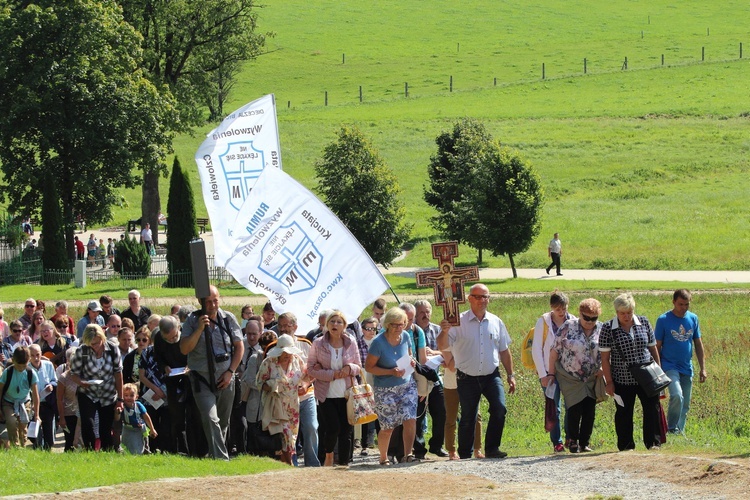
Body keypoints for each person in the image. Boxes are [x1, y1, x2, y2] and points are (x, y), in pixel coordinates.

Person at [437, 283, 516, 460]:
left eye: (485, 296)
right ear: (469, 299)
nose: (482, 300)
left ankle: (492, 448)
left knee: (500, 408)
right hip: (467, 376)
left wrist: (511, 375)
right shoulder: (458, 321)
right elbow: (442, 345)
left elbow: (504, 350)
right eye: (478, 297)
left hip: (491, 375)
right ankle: (465, 455)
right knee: (468, 416)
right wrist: (444, 331)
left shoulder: (496, 321)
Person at [180, 285, 244, 460]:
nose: (213, 305)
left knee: (223, 422)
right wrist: (199, 329)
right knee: (210, 418)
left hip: (226, 377)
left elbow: (239, 347)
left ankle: (214, 455)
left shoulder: (228, 319)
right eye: (208, 301)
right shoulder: (192, 321)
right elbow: (184, 349)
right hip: (202, 379)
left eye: (215, 300)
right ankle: (222, 460)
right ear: (200, 302)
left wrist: (231, 371)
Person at [600, 293, 662, 450]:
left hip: (647, 376)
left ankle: (653, 443)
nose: (626, 316)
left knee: (652, 409)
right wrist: (609, 382)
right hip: (622, 378)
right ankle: (626, 446)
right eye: (622, 313)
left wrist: (659, 374)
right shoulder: (608, 328)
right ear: (616, 312)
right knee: (623, 413)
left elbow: (653, 348)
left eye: (629, 312)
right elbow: (605, 359)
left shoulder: (644, 322)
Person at [545, 299, 603, 453]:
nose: (590, 321)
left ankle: (584, 443)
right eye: (586, 317)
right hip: (569, 377)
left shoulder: (602, 329)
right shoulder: (568, 326)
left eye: (594, 318)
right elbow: (554, 351)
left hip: (591, 377)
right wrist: (551, 373)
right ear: (580, 313)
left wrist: (603, 369)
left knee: (589, 410)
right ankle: (572, 441)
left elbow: (606, 353)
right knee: (574, 408)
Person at [308, 310, 362, 467]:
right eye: (332, 321)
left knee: (346, 430)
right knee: (333, 428)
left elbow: (358, 366)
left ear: (344, 326)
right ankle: (329, 454)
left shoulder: (351, 341)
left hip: (347, 393)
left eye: (339, 322)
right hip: (326, 394)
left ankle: (344, 462)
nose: (335, 325)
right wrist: (332, 374)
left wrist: (349, 368)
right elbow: (311, 369)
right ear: (326, 325)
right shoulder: (318, 343)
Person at [365, 307, 418, 465]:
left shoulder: (406, 336)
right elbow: (369, 367)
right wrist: (390, 371)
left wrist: (412, 361)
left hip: (407, 384)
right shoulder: (378, 342)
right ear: (387, 324)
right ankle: (383, 457)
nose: (398, 328)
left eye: (401, 324)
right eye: (394, 325)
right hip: (385, 389)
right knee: (388, 426)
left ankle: (408, 454)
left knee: (410, 419)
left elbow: (409, 355)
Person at [655, 289, 708, 435]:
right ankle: (672, 429)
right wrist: (657, 370)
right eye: (680, 304)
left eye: (687, 304)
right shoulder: (664, 320)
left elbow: (698, 343)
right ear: (673, 302)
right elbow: (657, 346)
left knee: (685, 403)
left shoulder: (693, 318)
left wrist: (703, 368)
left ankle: (680, 431)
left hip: (686, 366)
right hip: (669, 365)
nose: (684, 308)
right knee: (677, 395)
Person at [68, 324, 124, 451]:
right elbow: (73, 374)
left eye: (98, 343)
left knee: (105, 428)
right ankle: (89, 451)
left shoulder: (113, 349)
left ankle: (107, 452)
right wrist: (82, 382)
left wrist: (120, 400)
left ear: (103, 338)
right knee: (88, 424)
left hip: (108, 394)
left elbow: (118, 374)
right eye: (92, 344)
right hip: (88, 392)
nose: (95, 346)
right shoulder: (82, 351)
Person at [531, 291, 575, 452]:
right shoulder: (543, 322)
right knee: (554, 406)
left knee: (572, 404)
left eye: (564, 308)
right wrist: (543, 374)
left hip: (569, 371)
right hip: (549, 371)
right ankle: (557, 441)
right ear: (552, 308)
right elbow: (536, 349)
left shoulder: (573, 321)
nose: (562, 312)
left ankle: (571, 437)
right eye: (558, 309)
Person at [274, 312, 320, 467]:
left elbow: (314, 369)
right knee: (288, 433)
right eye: (281, 326)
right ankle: (290, 463)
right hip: (284, 399)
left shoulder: (306, 344)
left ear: (295, 327)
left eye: (287, 325)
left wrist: (306, 384)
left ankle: (312, 463)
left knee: (311, 427)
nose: (284, 329)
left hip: (306, 395)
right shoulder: (273, 348)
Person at [256, 334, 306, 465]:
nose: (287, 355)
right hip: (276, 404)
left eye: (289, 352)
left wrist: (304, 385)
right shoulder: (268, 362)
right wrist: (273, 385)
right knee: (284, 434)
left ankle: (285, 465)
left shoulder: (297, 360)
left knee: (292, 437)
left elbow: (306, 376)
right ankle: (289, 464)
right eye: (285, 353)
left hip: (293, 405)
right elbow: (259, 383)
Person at [413, 300, 448, 458]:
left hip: (435, 378)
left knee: (441, 412)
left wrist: (433, 352)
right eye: (421, 312)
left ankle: (436, 445)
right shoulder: (411, 330)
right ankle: (419, 449)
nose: (425, 315)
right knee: (418, 416)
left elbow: (446, 352)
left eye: (427, 312)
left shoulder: (438, 330)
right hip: (416, 379)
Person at [138, 326, 171, 454]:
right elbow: (142, 375)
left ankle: (166, 449)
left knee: (166, 425)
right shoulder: (146, 353)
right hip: (150, 395)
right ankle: (151, 449)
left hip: (167, 395)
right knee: (151, 421)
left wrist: (164, 392)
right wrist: (156, 390)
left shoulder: (170, 352)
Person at [0, 346, 40, 447]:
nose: (21, 368)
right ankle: (15, 447)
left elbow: (35, 395)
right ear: (13, 360)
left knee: (23, 424)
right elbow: (0, 390)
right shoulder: (7, 372)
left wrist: (37, 415)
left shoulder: (31, 373)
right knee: (12, 422)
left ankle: (22, 446)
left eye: (24, 365)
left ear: (28, 361)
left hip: (24, 402)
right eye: (19, 366)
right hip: (8, 402)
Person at [28, 344, 57, 450]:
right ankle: (37, 448)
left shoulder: (48, 365)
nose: (36, 358)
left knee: (49, 431)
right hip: (33, 404)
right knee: (34, 433)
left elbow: (55, 380)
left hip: (47, 402)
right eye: (32, 355)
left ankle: (47, 450)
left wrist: (52, 385)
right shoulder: (27, 369)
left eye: (38, 355)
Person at [116, 382, 157, 455]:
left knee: (138, 447)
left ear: (136, 397)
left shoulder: (138, 406)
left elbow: (146, 417)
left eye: (131, 395)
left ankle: (144, 452)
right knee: (125, 446)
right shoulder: (122, 406)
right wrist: (118, 412)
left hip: (138, 429)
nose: (129, 398)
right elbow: (117, 419)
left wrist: (152, 429)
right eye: (126, 395)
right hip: (126, 428)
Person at [56, 347, 79, 452]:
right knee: (70, 441)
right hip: (69, 413)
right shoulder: (63, 378)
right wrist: (61, 418)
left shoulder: (84, 375)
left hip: (82, 413)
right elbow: (59, 399)